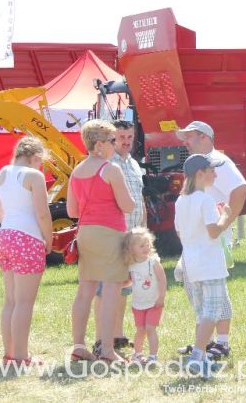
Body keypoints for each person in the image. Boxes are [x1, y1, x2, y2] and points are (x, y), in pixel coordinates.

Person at [176, 120, 246, 359]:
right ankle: (206, 343)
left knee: (215, 296)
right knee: (211, 297)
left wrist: (226, 221)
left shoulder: (219, 163)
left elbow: (240, 188)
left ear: (204, 137)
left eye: (189, 137)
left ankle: (219, 343)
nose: (185, 142)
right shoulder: (200, 173)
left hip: (211, 240)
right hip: (202, 242)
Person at [67, 119, 135, 364]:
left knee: (85, 290)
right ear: (99, 144)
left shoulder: (77, 171)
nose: (115, 145)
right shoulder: (110, 169)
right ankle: (107, 350)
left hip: (85, 232)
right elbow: (128, 205)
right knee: (111, 292)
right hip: (110, 233)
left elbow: (72, 210)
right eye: (112, 140)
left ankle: (78, 346)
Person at [0, 137, 52, 366]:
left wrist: (12, 224)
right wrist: (49, 238)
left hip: (5, 235)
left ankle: (10, 354)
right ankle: (22, 357)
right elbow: (43, 214)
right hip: (28, 237)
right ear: (35, 157)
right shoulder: (34, 176)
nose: (40, 167)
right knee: (24, 303)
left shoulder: (3, 172)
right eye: (40, 162)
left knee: (11, 301)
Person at [174, 154, 233, 375]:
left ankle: (201, 357)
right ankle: (198, 357)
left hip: (191, 262)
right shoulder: (205, 199)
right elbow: (213, 231)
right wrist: (226, 215)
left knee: (201, 313)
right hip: (209, 262)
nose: (215, 174)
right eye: (211, 170)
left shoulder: (181, 200)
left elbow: (180, 232)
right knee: (213, 311)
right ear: (200, 173)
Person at [93, 119, 146, 353]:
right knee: (104, 289)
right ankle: (99, 338)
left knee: (124, 287)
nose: (126, 142)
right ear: (112, 139)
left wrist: (142, 229)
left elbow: (140, 198)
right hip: (113, 234)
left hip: (132, 236)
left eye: (129, 138)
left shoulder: (134, 164)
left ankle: (118, 335)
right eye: (121, 138)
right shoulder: (106, 164)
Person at [123, 227, 165, 365]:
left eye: (147, 244)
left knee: (150, 328)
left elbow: (162, 279)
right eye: (141, 245)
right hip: (138, 304)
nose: (146, 247)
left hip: (154, 303)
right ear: (131, 249)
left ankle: (153, 357)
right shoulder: (131, 265)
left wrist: (161, 297)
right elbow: (130, 281)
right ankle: (138, 354)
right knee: (140, 330)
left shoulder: (153, 262)